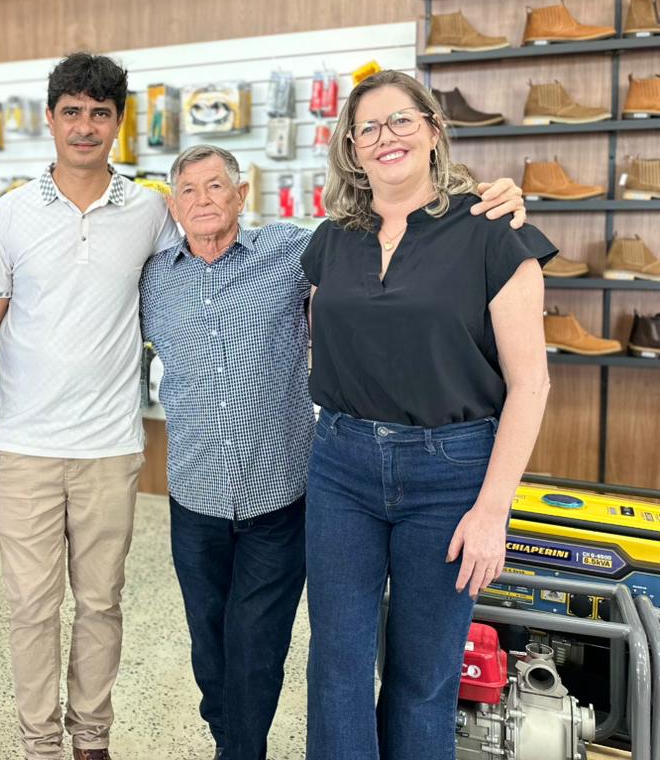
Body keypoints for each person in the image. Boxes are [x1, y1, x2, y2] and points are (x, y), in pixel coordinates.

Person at [140, 144, 526, 760]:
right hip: (194, 492)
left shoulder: (294, 251)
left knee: (255, 642)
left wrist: (489, 197)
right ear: (172, 205)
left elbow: (385, 233)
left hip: (280, 492)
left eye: (217, 187)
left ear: (242, 196)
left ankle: (240, 750)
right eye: (188, 190)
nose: (203, 200)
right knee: (208, 647)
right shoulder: (153, 279)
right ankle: (230, 734)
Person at [301, 71, 553, 760]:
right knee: (336, 668)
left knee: (424, 675)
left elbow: (530, 385)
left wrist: (492, 511)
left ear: (435, 131)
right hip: (342, 467)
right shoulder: (332, 240)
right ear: (352, 148)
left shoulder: (492, 233)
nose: (387, 138)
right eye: (370, 128)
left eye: (402, 121)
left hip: (451, 473)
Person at [0, 53, 180, 760]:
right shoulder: (13, 212)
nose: (85, 126)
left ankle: (91, 739)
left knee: (101, 603)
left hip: (111, 447)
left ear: (118, 122)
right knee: (29, 609)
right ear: (51, 117)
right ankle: (38, 744)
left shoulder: (149, 209)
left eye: (100, 113)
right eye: (72, 111)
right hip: (23, 445)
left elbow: (192, 283)